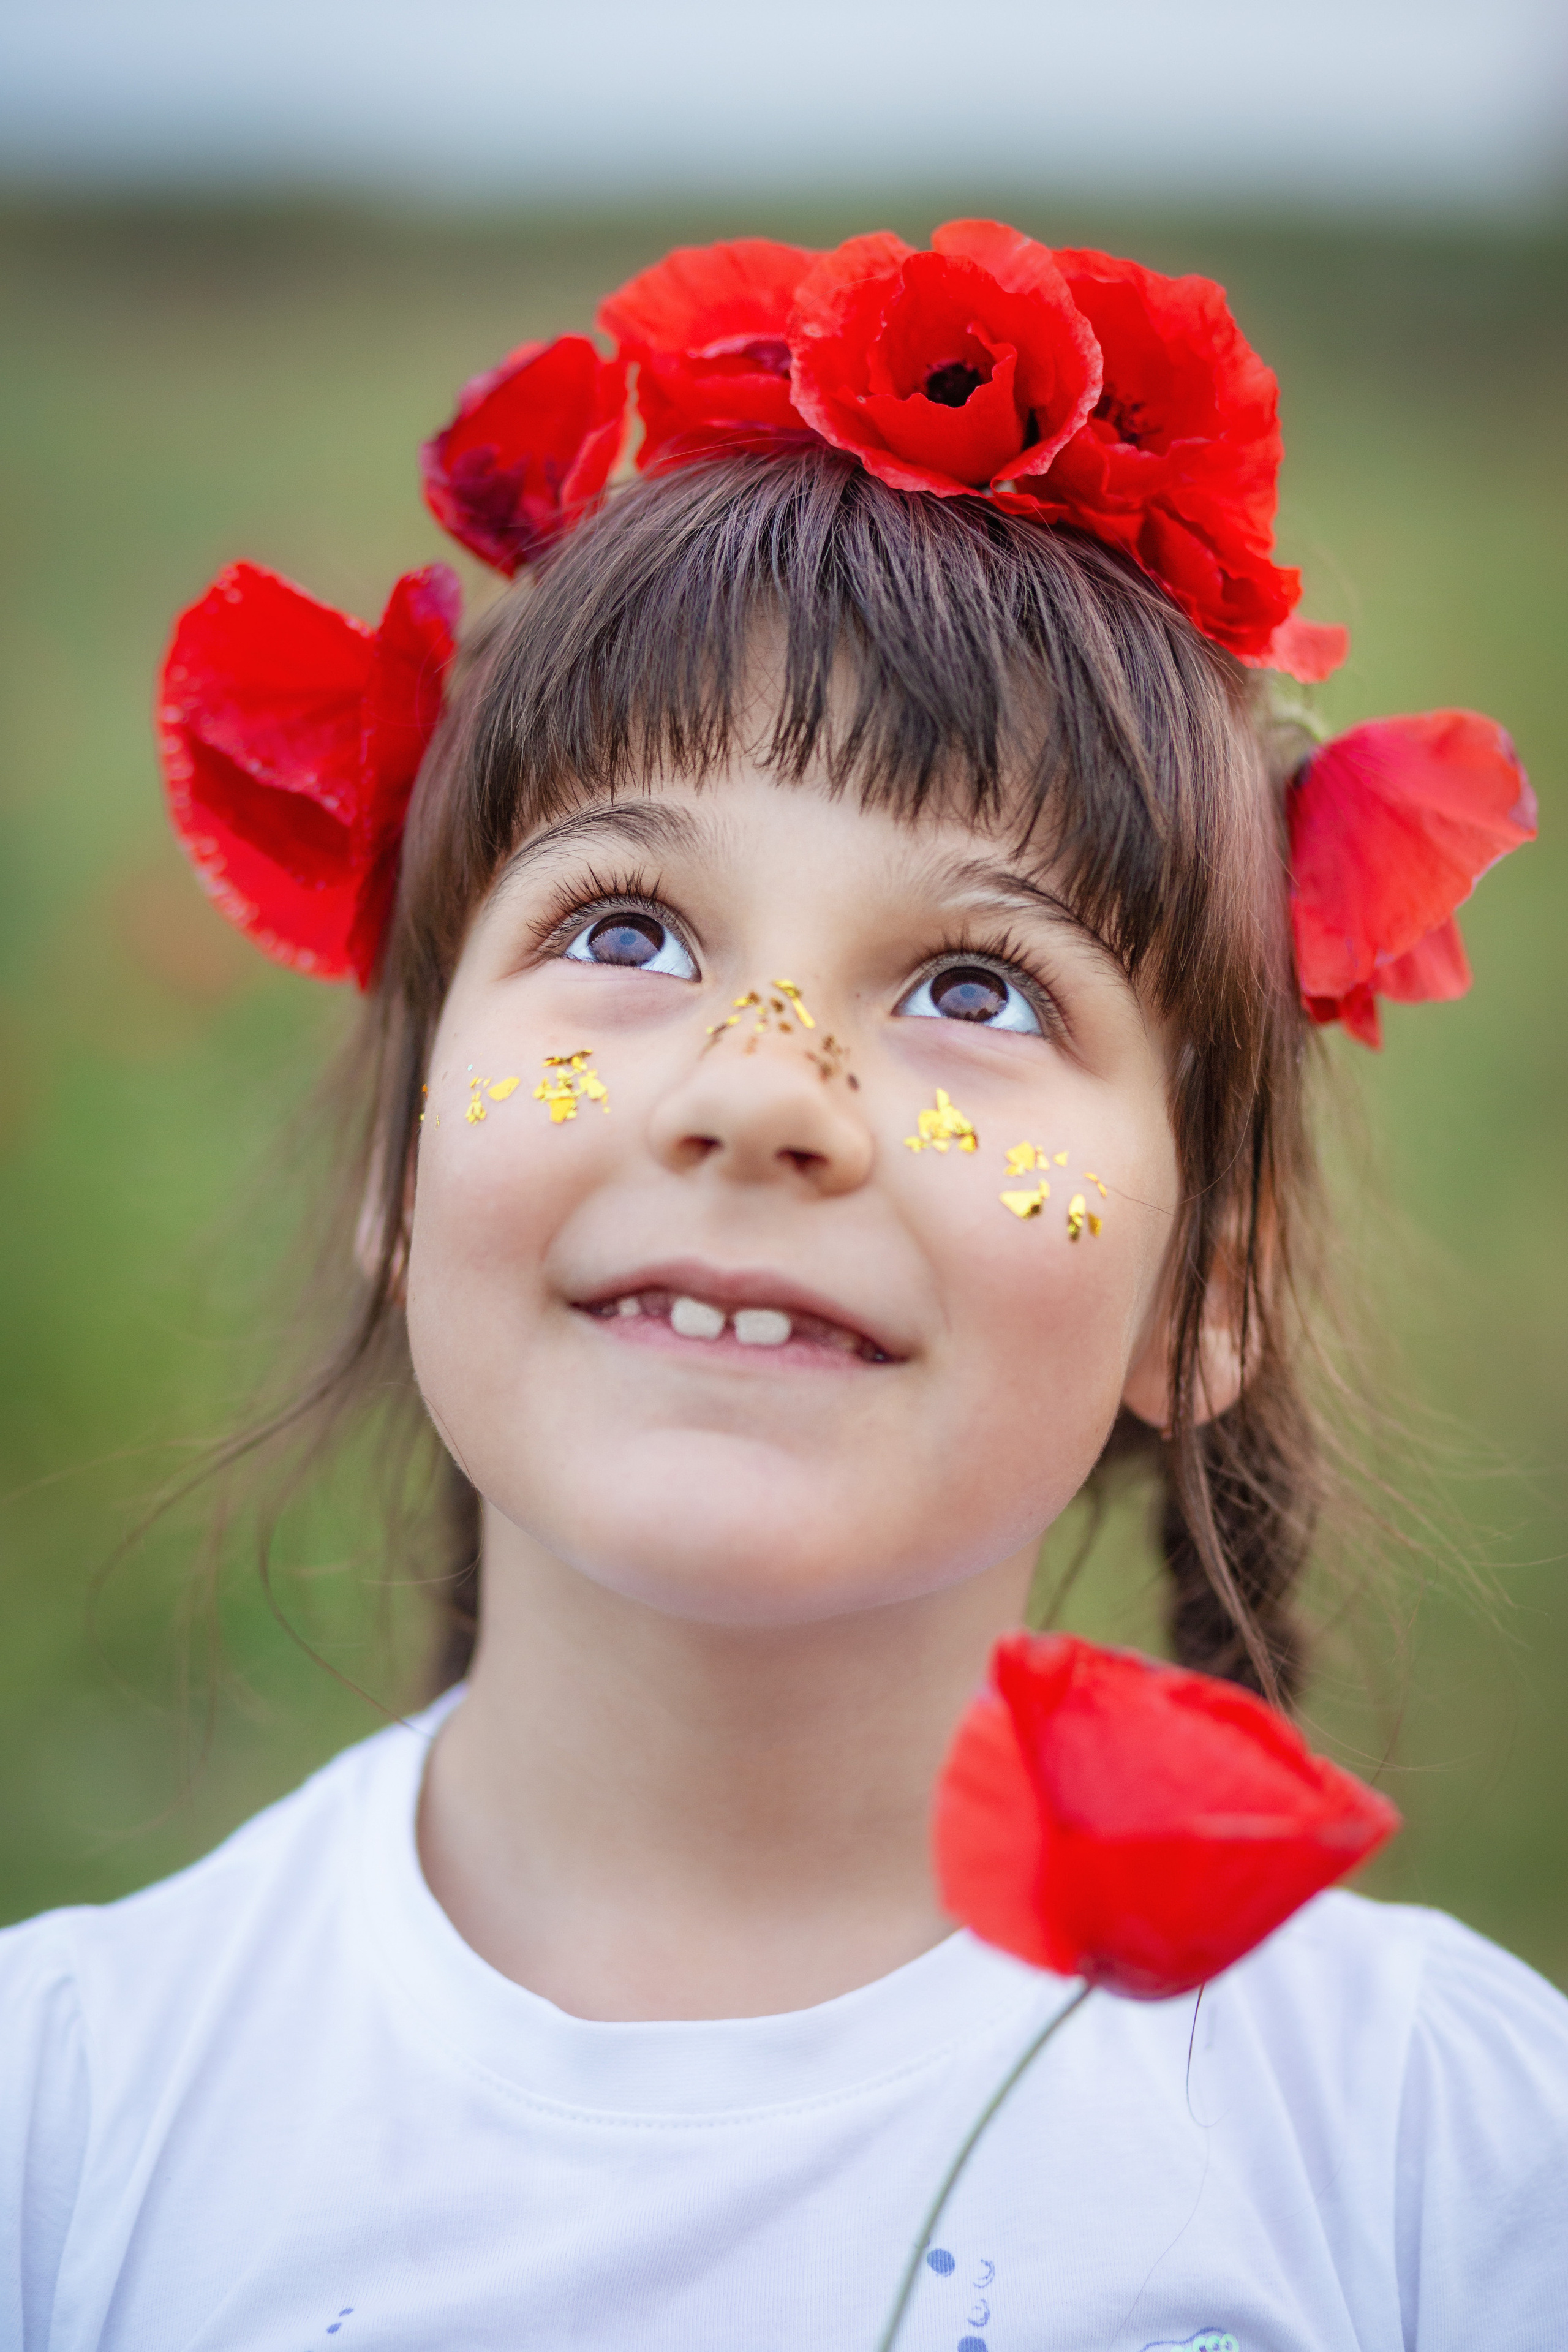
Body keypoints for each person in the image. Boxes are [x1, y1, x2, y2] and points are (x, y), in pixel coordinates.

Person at [1, 224, 1560, 2352]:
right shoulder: (68, 2127)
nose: (762, 1096)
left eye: (977, 982)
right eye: (628, 935)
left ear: (1211, 1276)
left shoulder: (1450, 2170)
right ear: (404, 1140)